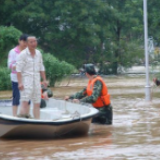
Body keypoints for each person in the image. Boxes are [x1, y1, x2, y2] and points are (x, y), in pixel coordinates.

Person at [16, 36, 47, 119]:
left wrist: (44, 79)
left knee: (37, 103)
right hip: (26, 80)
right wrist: (20, 83)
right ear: (26, 43)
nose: (34, 44)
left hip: (36, 80)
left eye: (35, 41)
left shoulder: (38, 53)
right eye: (31, 42)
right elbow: (18, 70)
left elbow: (41, 67)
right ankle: (21, 122)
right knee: (25, 102)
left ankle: (38, 122)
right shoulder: (22, 55)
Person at [8, 34, 28, 116]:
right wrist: (18, 66)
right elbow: (10, 66)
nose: (25, 43)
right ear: (19, 41)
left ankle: (26, 114)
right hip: (16, 78)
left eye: (26, 42)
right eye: (23, 41)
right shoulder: (13, 52)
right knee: (16, 96)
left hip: (26, 78)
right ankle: (14, 116)